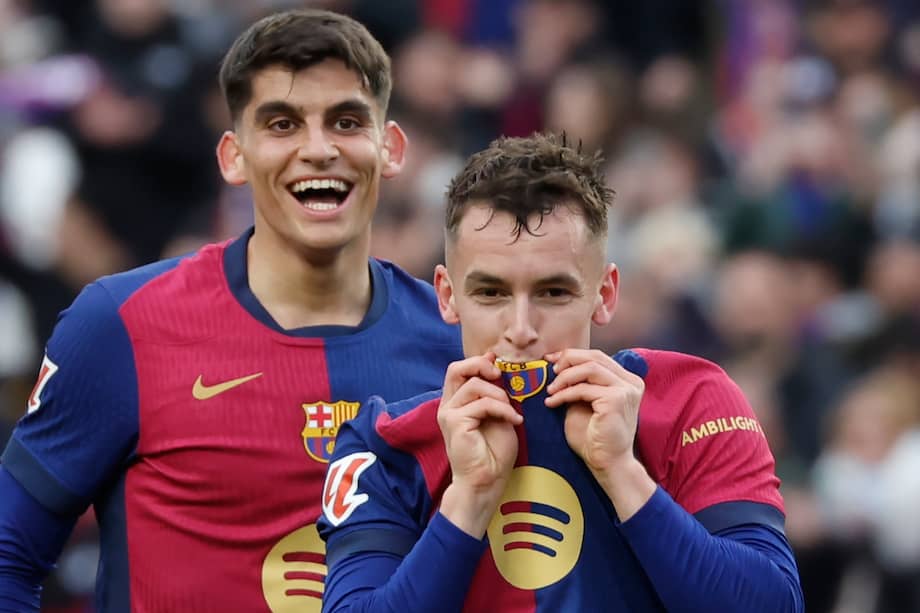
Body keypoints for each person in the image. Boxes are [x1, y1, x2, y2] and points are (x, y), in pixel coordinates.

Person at [0, 9, 462, 612]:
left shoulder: (457, 342)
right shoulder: (121, 324)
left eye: (346, 121)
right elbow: (9, 557)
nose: (318, 149)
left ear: (391, 147)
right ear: (233, 156)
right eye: (282, 124)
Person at [318, 133, 805, 612]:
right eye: (491, 293)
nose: (522, 328)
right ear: (447, 296)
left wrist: (621, 473)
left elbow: (775, 603)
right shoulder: (383, 444)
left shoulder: (690, 399)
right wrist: (469, 498)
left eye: (553, 293)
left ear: (605, 294)